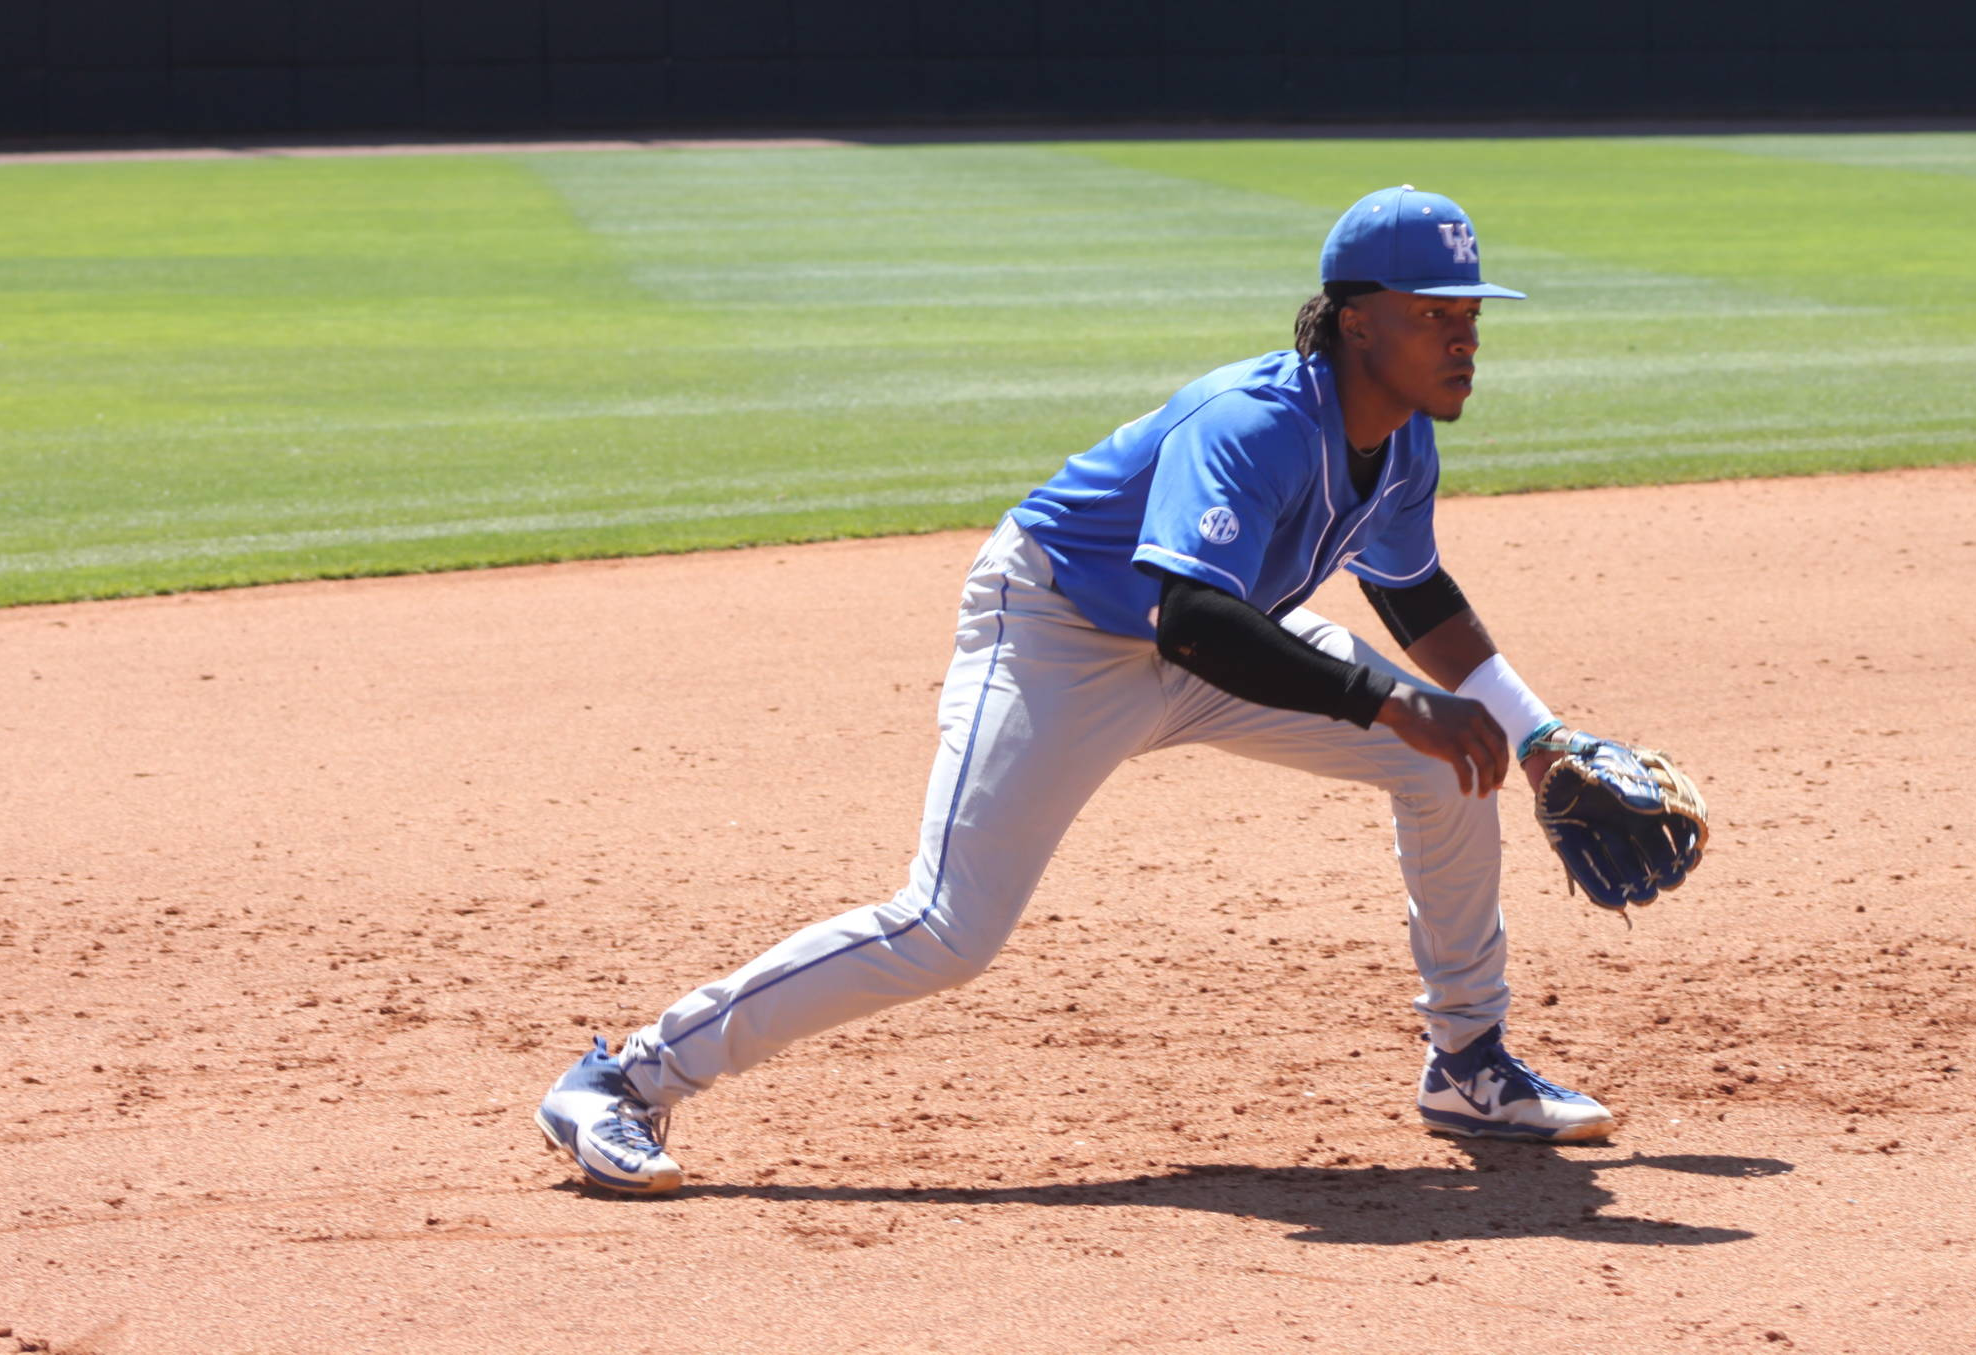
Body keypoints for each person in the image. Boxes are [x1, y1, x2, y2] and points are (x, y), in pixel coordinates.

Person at [537, 187, 1619, 1195]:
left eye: (1472, 312)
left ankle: (1468, 1064)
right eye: (1435, 313)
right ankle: (623, 1079)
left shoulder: (1403, 437)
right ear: (1356, 324)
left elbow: (1413, 591)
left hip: (1221, 642)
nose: (1465, 336)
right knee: (947, 929)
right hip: (1056, 631)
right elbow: (1190, 620)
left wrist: (1534, 737)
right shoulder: (1250, 422)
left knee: (1452, 763)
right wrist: (1391, 706)